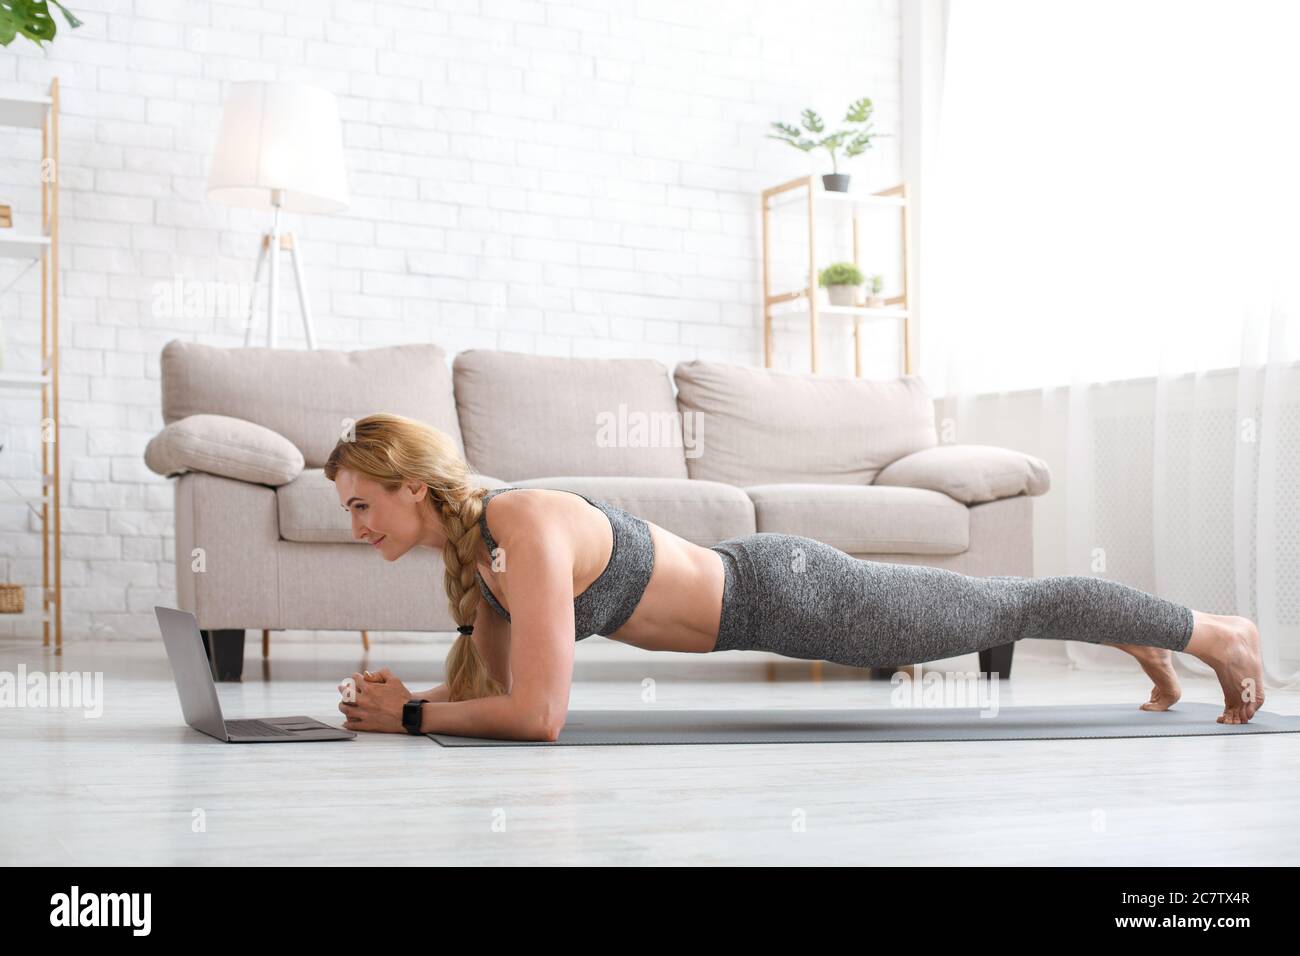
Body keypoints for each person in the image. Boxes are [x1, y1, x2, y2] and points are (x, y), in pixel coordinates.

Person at [325, 413, 1265, 739]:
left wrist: (410, 715)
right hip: (768, 598)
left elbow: (539, 718)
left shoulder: (518, 524)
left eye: (364, 504)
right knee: (1002, 607)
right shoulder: (481, 562)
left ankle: (1222, 633)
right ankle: (1158, 647)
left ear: (412, 489)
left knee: (1004, 607)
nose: (355, 525)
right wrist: (408, 699)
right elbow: (497, 695)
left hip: (800, 598)